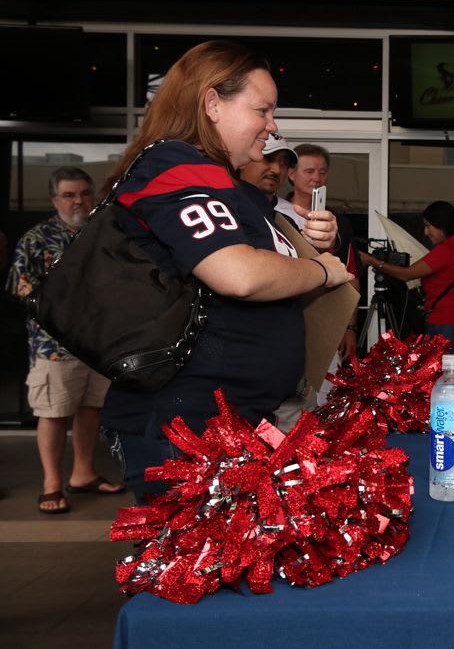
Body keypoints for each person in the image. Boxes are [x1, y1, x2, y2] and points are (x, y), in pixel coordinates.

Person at [99, 40, 353, 501]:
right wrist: (321, 271)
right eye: (263, 110)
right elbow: (239, 274)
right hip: (189, 432)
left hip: (235, 424)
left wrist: (309, 246)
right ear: (212, 103)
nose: (272, 127)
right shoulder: (173, 166)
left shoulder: (224, 185)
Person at [6, 167, 124, 513]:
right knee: (54, 412)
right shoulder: (37, 238)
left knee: (91, 409)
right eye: (69, 195)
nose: (78, 201)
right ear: (55, 199)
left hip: (98, 344)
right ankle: (51, 485)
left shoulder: (102, 233)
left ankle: (83, 473)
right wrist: (61, 308)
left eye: (84, 193)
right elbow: (18, 285)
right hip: (54, 346)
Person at [240, 134, 360, 413]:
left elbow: (346, 275)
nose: (275, 169)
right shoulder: (238, 210)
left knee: (312, 414)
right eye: (267, 158)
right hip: (253, 354)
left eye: (281, 162)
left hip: (302, 339)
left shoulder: (328, 221)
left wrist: (347, 325)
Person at [359, 201, 454, 369]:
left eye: (429, 226)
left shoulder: (447, 250)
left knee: (438, 380)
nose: (426, 232)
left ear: (442, 225)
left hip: (447, 326)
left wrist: (371, 261)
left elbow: (406, 274)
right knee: (451, 377)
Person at [279, 142, 362, 364]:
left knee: (323, 392)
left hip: (326, 321)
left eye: (322, 171)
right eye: (309, 171)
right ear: (291, 174)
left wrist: (350, 327)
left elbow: (351, 275)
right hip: (281, 318)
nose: (316, 177)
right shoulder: (274, 214)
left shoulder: (337, 222)